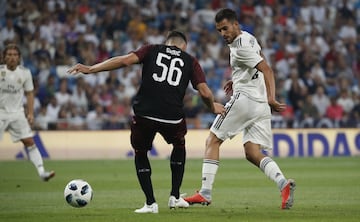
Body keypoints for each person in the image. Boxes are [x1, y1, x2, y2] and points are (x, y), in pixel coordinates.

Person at [67, 30, 225, 213]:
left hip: (145, 114)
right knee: (179, 146)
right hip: (172, 116)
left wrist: (91, 69)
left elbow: (125, 60)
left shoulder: (152, 50)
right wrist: (212, 107)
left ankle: (151, 204)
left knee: (141, 153)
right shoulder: (190, 60)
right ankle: (175, 197)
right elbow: (205, 92)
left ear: (167, 42)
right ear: (184, 46)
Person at [184, 8, 296, 210]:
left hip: (246, 100)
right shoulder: (249, 38)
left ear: (236, 24)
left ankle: (205, 193)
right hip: (259, 104)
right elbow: (258, 62)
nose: (223, 34)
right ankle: (283, 184)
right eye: (219, 30)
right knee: (252, 152)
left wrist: (272, 97)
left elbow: (266, 69)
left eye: (225, 28)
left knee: (213, 139)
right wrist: (237, 78)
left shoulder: (239, 48)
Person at [0, 43, 55, 181]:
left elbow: (30, 94)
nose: (12, 57)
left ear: (19, 58)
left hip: (17, 113)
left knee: (29, 141)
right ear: (4, 57)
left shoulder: (24, 73)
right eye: (9, 55)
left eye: (15, 55)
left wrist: (30, 113)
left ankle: (42, 173)